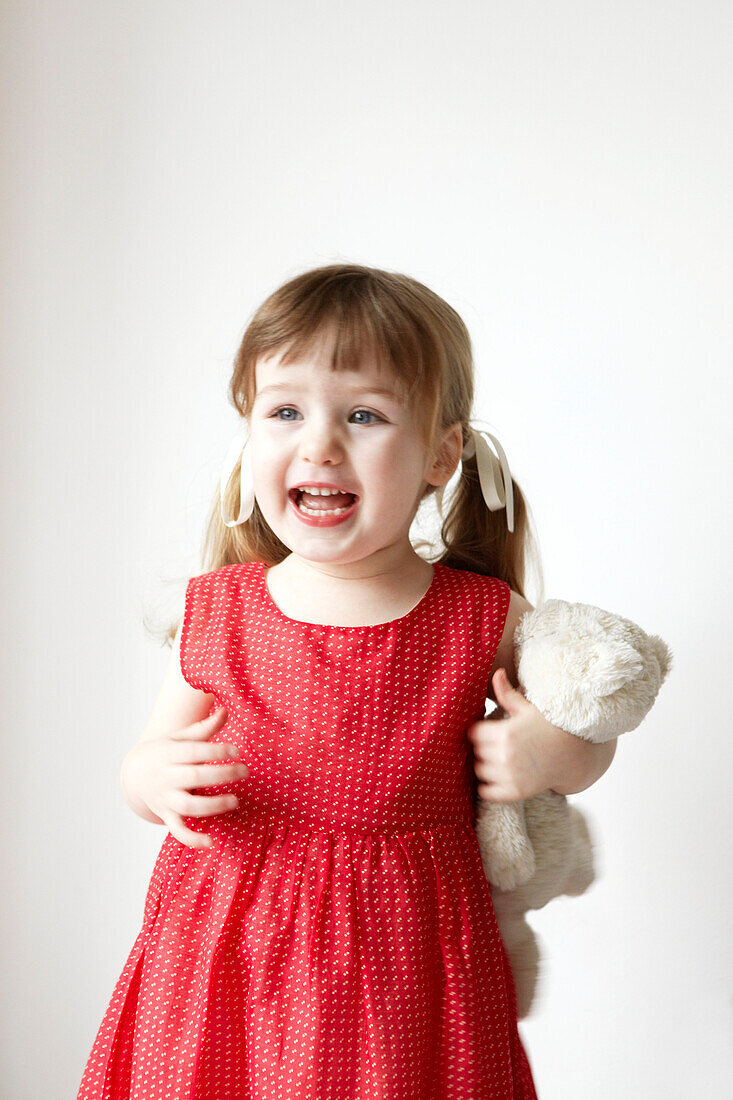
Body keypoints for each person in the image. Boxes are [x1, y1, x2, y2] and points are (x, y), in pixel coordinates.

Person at [77, 263, 617, 1099]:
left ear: (443, 454)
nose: (317, 443)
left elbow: (585, 744)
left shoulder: (479, 615)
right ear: (248, 438)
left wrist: (546, 756)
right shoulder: (220, 612)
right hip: (230, 948)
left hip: (407, 961)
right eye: (284, 411)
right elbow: (147, 761)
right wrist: (148, 780)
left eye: (363, 414)